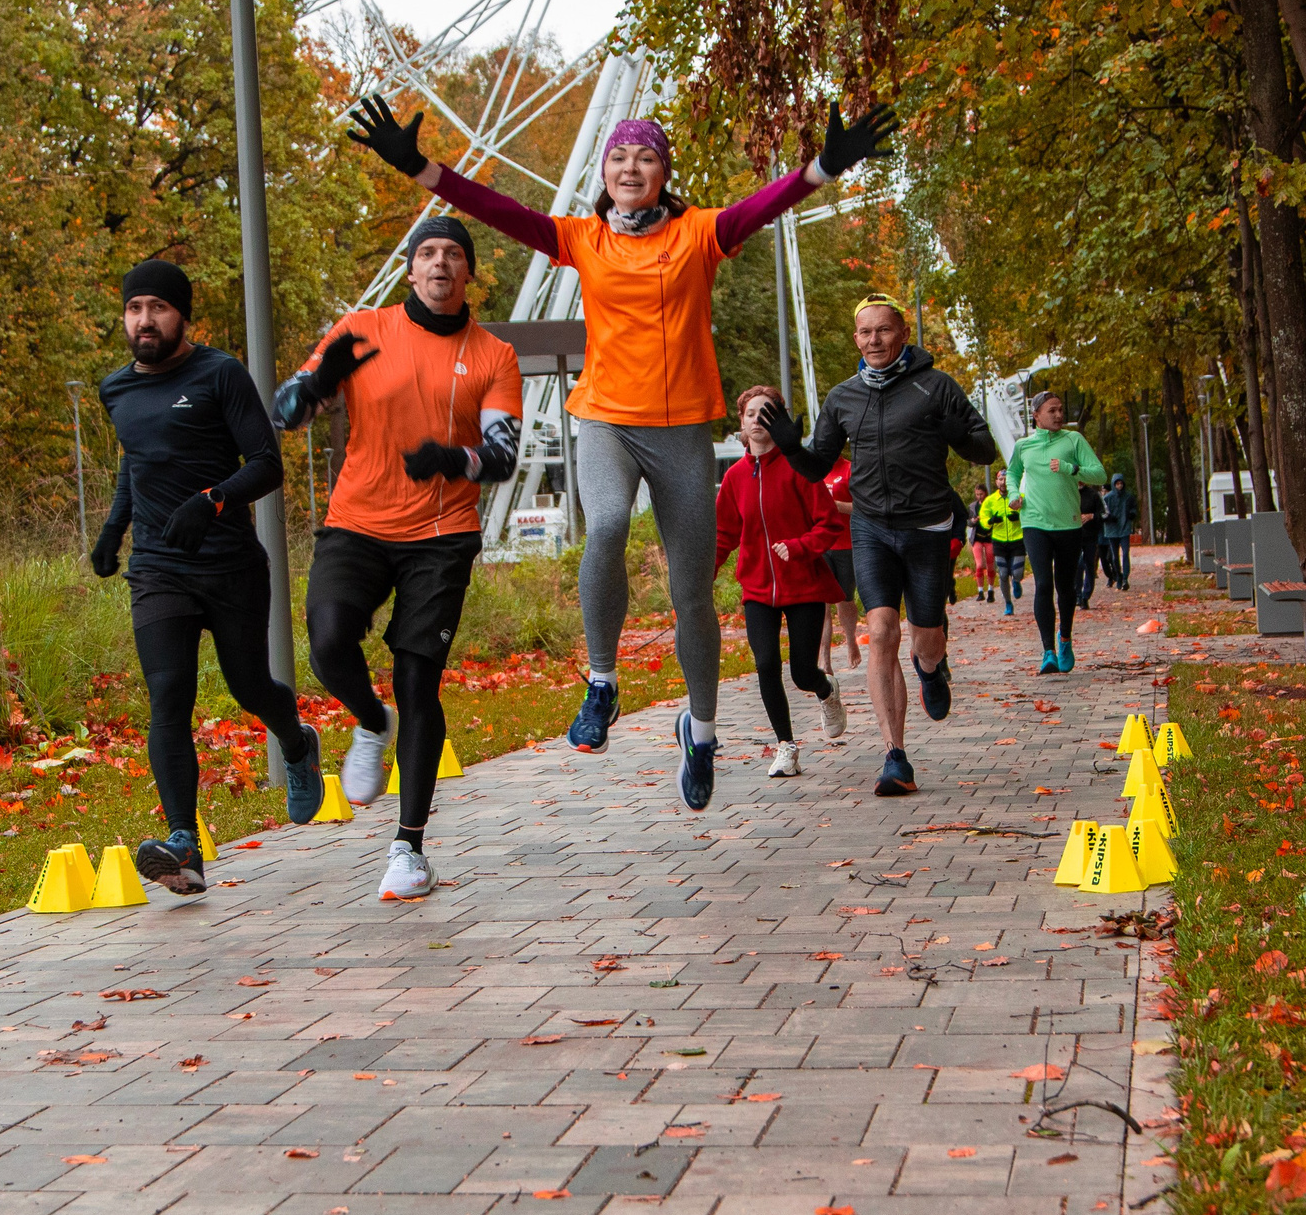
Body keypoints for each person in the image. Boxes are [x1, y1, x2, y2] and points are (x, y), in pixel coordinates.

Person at [347, 95, 897, 812]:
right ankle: (601, 682)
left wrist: (826, 165)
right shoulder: (582, 238)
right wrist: (419, 167)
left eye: (645, 156)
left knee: (691, 593)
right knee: (605, 524)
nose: (630, 166)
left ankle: (700, 732)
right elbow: (495, 209)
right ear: (603, 173)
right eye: (618, 157)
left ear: (664, 172)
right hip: (605, 417)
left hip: (680, 430)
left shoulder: (700, 233)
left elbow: (767, 203)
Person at [271, 217, 522, 903]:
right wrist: (320, 378)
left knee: (419, 679)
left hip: (442, 534)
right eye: (428, 252)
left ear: (469, 273)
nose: (441, 263)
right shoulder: (362, 329)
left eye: (454, 254)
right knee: (326, 639)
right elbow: (286, 413)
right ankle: (368, 719)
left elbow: (503, 456)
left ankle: (408, 847)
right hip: (357, 521)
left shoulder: (494, 354)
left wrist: (452, 458)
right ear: (411, 270)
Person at [89, 259, 326, 897]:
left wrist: (213, 500)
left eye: (158, 308)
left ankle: (297, 741)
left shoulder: (219, 374)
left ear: (182, 316)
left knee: (248, 684)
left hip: (229, 565)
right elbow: (135, 466)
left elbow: (266, 464)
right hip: (160, 569)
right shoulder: (117, 390)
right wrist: (115, 530)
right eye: (135, 308)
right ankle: (183, 844)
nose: (145, 320)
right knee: (168, 697)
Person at [757, 295, 1000, 796]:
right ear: (856, 339)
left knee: (924, 640)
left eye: (883, 331)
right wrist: (788, 445)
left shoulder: (936, 386)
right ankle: (895, 757)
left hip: (927, 528)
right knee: (883, 629)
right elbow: (817, 467)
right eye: (865, 333)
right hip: (870, 528)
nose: (874, 341)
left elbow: (984, 448)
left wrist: (958, 431)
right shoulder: (844, 396)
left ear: (902, 332)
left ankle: (931, 668)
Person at [715, 385, 851, 777]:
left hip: (804, 584)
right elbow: (724, 535)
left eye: (768, 413)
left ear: (781, 422)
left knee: (801, 672)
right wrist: (699, 581)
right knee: (765, 663)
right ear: (741, 423)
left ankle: (826, 691)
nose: (758, 420)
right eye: (751, 413)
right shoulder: (735, 477)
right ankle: (786, 747)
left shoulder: (799, 468)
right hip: (757, 589)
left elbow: (829, 524)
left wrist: (800, 546)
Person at [1007, 390, 1106, 675]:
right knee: (1043, 584)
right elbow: (1012, 473)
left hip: (1069, 524)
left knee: (1066, 587)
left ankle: (1065, 640)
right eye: (1052, 410)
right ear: (1036, 415)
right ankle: (1047, 651)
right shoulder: (1024, 446)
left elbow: (1099, 474)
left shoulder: (1073, 440)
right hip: (1034, 522)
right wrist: (1014, 493)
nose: (1059, 415)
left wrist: (1070, 468)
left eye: (1060, 410)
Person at [819, 455, 861, 676]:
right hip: (821, 546)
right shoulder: (814, 470)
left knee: (845, 599)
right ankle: (824, 660)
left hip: (846, 545)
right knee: (823, 604)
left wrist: (835, 506)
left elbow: (861, 507)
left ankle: (850, 638)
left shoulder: (849, 469)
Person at [978, 481, 1025, 614]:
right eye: (1000, 479)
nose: (1003, 482)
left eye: (1005, 479)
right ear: (996, 482)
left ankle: (1016, 581)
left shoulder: (1019, 497)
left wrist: (1019, 516)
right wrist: (990, 521)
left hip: (1017, 538)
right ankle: (1008, 604)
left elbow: (1030, 512)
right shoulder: (990, 500)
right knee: (1003, 573)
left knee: (1017, 572)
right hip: (999, 540)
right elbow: (983, 517)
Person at [1100, 473, 1136, 591]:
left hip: (1124, 528)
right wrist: (1108, 518)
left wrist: (1132, 514)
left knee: (1125, 553)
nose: (1119, 486)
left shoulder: (1128, 497)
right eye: (1117, 484)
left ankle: (1125, 577)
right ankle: (1118, 576)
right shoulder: (1107, 498)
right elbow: (1102, 513)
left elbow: (1133, 507)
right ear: (1114, 484)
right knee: (1115, 556)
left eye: (1121, 483)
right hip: (1112, 530)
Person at [1076, 479, 1105, 608]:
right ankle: (1077, 594)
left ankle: (1086, 596)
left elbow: (1104, 514)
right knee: (1078, 564)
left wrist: (1092, 516)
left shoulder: (1093, 495)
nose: (1079, 482)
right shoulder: (1068, 493)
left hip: (1091, 536)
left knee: (1089, 565)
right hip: (1074, 535)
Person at [967, 485, 998, 605]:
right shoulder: (973, 506)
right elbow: (968, 521)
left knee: (990, 564)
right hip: (977, 538)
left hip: (989, 537)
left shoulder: (991, 503)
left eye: (981, 494)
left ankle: (990, 589)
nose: (979, 496)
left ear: (985, 493)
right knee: (979, 564)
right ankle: (980, 591)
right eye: (977, 494)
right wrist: (973, 521)